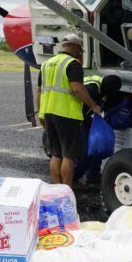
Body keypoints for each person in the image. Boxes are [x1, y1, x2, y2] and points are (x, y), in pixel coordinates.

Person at [35, 34, 103, 187]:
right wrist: (94, 106)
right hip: (67, 114)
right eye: (80, 51)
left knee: (56, 154)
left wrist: (41, 113)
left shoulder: (46, 64)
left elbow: (39, 91)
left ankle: (57, 189)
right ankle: (67, 191)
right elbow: (77, 89)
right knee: (69, 156)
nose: (80, 54)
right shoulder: (72, 64)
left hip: (49, 113)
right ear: (75, 47)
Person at [73, 74, 122, 190]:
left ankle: (93, 177)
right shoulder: (92, 90)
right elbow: (82, 110)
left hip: (85, 118)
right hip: (76, 118)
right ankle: (72, 180)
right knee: (86, 152)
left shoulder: (99, 82)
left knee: (96, 146)